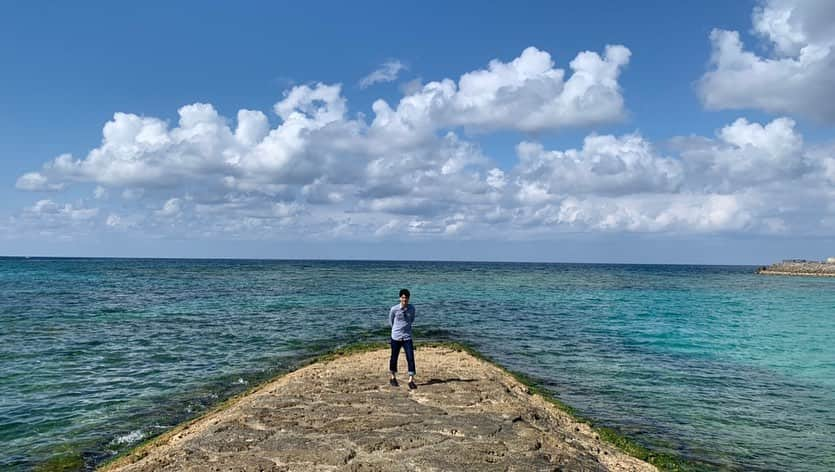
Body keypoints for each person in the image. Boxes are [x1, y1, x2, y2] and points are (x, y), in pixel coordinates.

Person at [388, 288, 417, 389]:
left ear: (409, 298)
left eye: (406, 298)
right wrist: (396, 330)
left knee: (410, 357)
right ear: (400, 298)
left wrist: (405, 329)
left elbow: (412, 319)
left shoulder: (412, 308)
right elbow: (391, 321)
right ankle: (392, 377)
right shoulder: (394, 309)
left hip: (407, 337)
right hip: (396, 337)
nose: (404, 300)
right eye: (403, 298)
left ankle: (411, 380)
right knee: (394, 357)